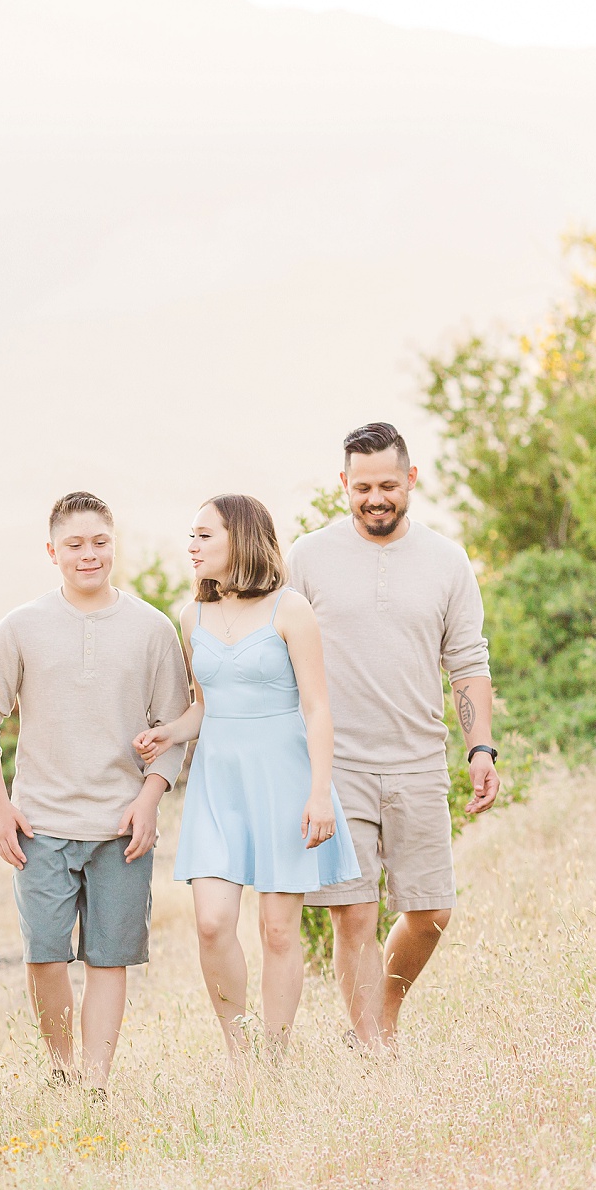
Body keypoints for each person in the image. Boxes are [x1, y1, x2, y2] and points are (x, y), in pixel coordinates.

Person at [0, 492, 189, 1096]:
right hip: (40, 823)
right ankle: (62, 1069)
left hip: (120, 826)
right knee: (44, 956)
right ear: (52, 552)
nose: (88, 554)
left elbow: (174, 727)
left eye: (99, 542)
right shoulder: (22, 626)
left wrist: (150, 799)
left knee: (109, 959)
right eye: (74, 544)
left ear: (114, 544)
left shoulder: (152, 628)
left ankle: (95, 1083)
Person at [288, 422, 501, 1048]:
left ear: (411, 479)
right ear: (343, 487)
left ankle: (381, 1014)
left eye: (387, 484)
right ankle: (374, 1047)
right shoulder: (308, 556)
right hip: (336, 764)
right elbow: (279, 654)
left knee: (431, 912)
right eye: (361, 487)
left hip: (418, 761)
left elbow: (468, 661)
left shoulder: (446, 560)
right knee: (352, 914)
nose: (374, 498)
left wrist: (480, 747)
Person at [134, 494, 361, 1061]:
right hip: (218, 784)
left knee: (279, 931)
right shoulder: (192, 615)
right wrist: (170, 733)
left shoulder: (291, 609)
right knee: (211, 923)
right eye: (190, 535)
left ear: (240, 537)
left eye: (204, 535)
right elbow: (205, 704)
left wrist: (319, 794)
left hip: (285, 782)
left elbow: (317, 709)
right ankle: (240, 1053)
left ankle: (274, 1061)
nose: (192, 545)